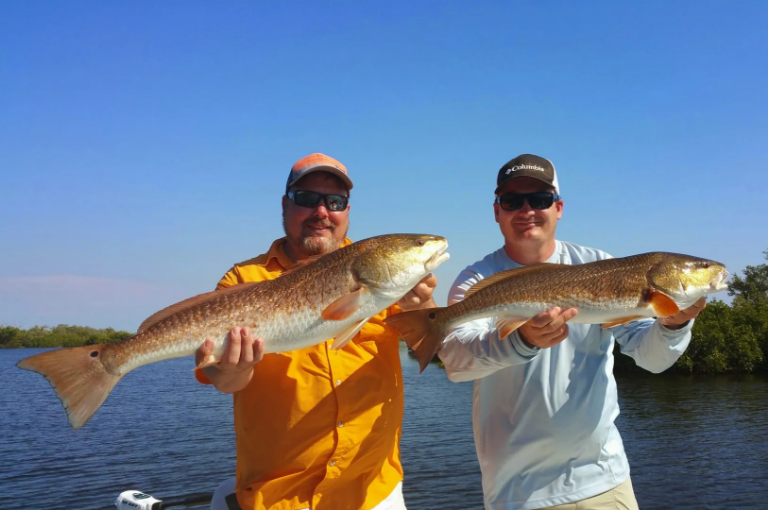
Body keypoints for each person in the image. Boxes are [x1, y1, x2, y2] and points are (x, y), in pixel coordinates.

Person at [438, 154, 706, 510]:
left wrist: (674, 324)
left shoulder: (599, 264)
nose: (527, 210)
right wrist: (522, 341)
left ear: (559, 207)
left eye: (540, 199)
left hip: (605, 482)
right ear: (497, 211)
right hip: (517, 492)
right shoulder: (477, 279)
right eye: (512, 201)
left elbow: (652, 359)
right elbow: (456, 362)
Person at [196, 153, 438, 510]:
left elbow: (439, 352)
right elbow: (223, 380)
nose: (322, 212)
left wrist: (423, 308)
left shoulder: (381, 275)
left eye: (335, 202)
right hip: (277, 498)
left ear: (347, 211)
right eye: (307, 199)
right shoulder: (242, 281)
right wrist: (234, 369)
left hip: (372, 491)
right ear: (285, 204)